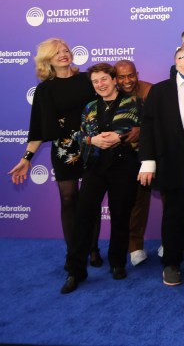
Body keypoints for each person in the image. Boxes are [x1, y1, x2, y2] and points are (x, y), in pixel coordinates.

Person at [9, 38, 101, 270]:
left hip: (93, 146)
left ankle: (92, 249)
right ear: (47, 59)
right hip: (64, 150)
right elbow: (38, 128)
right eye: (57, 52)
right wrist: (26, 159)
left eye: (66, 50)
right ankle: (74, 254)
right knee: (68, 198)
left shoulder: (87, 80)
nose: (63, 54)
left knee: (90, 200)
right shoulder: (45, 90)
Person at [61, 63, 142, 293]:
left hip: (124, 166)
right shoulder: (89, 107)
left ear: (114, 79)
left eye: (104, 79)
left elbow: (139, 129)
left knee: (120, 215)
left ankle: (117, 263)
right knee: (83, 216)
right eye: (96, 82)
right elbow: (79, 134)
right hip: (95, 167)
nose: (100, 85)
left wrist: (120, 136)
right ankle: (75, 270)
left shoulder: (132, 102)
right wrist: (91, 141)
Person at [138, 46, 184, 286]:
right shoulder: (160, 91)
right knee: (174, 214)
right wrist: (148, 162)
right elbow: (148, 128)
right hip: (173, 163)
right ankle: (172, 263)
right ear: (177, 61)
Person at [114, 59, 152, 266]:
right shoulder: (111, 94)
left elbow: (161, 121)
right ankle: (135, 246)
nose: (127, 81)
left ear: (137, 73)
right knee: (137, 202)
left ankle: (172, 243)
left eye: (131, 75)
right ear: (115, 78)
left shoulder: (149, 90)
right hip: (128, 158)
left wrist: (141, 130)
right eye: (121, 77)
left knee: (170, 199)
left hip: (155, 153)